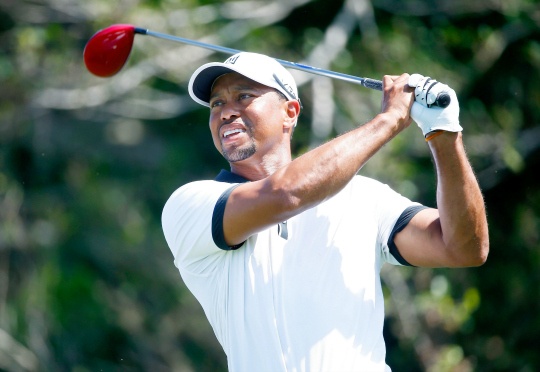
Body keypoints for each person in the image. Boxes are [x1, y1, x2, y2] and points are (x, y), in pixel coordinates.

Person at [161, 52, 489, 371]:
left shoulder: (364, 196)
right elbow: (286, 193)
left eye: (244, 96)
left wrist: (444, 135)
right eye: (217, 103)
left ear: (290, 112)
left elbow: (464, 247)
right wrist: (388, 120)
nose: (226, 112)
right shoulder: (192, 204)